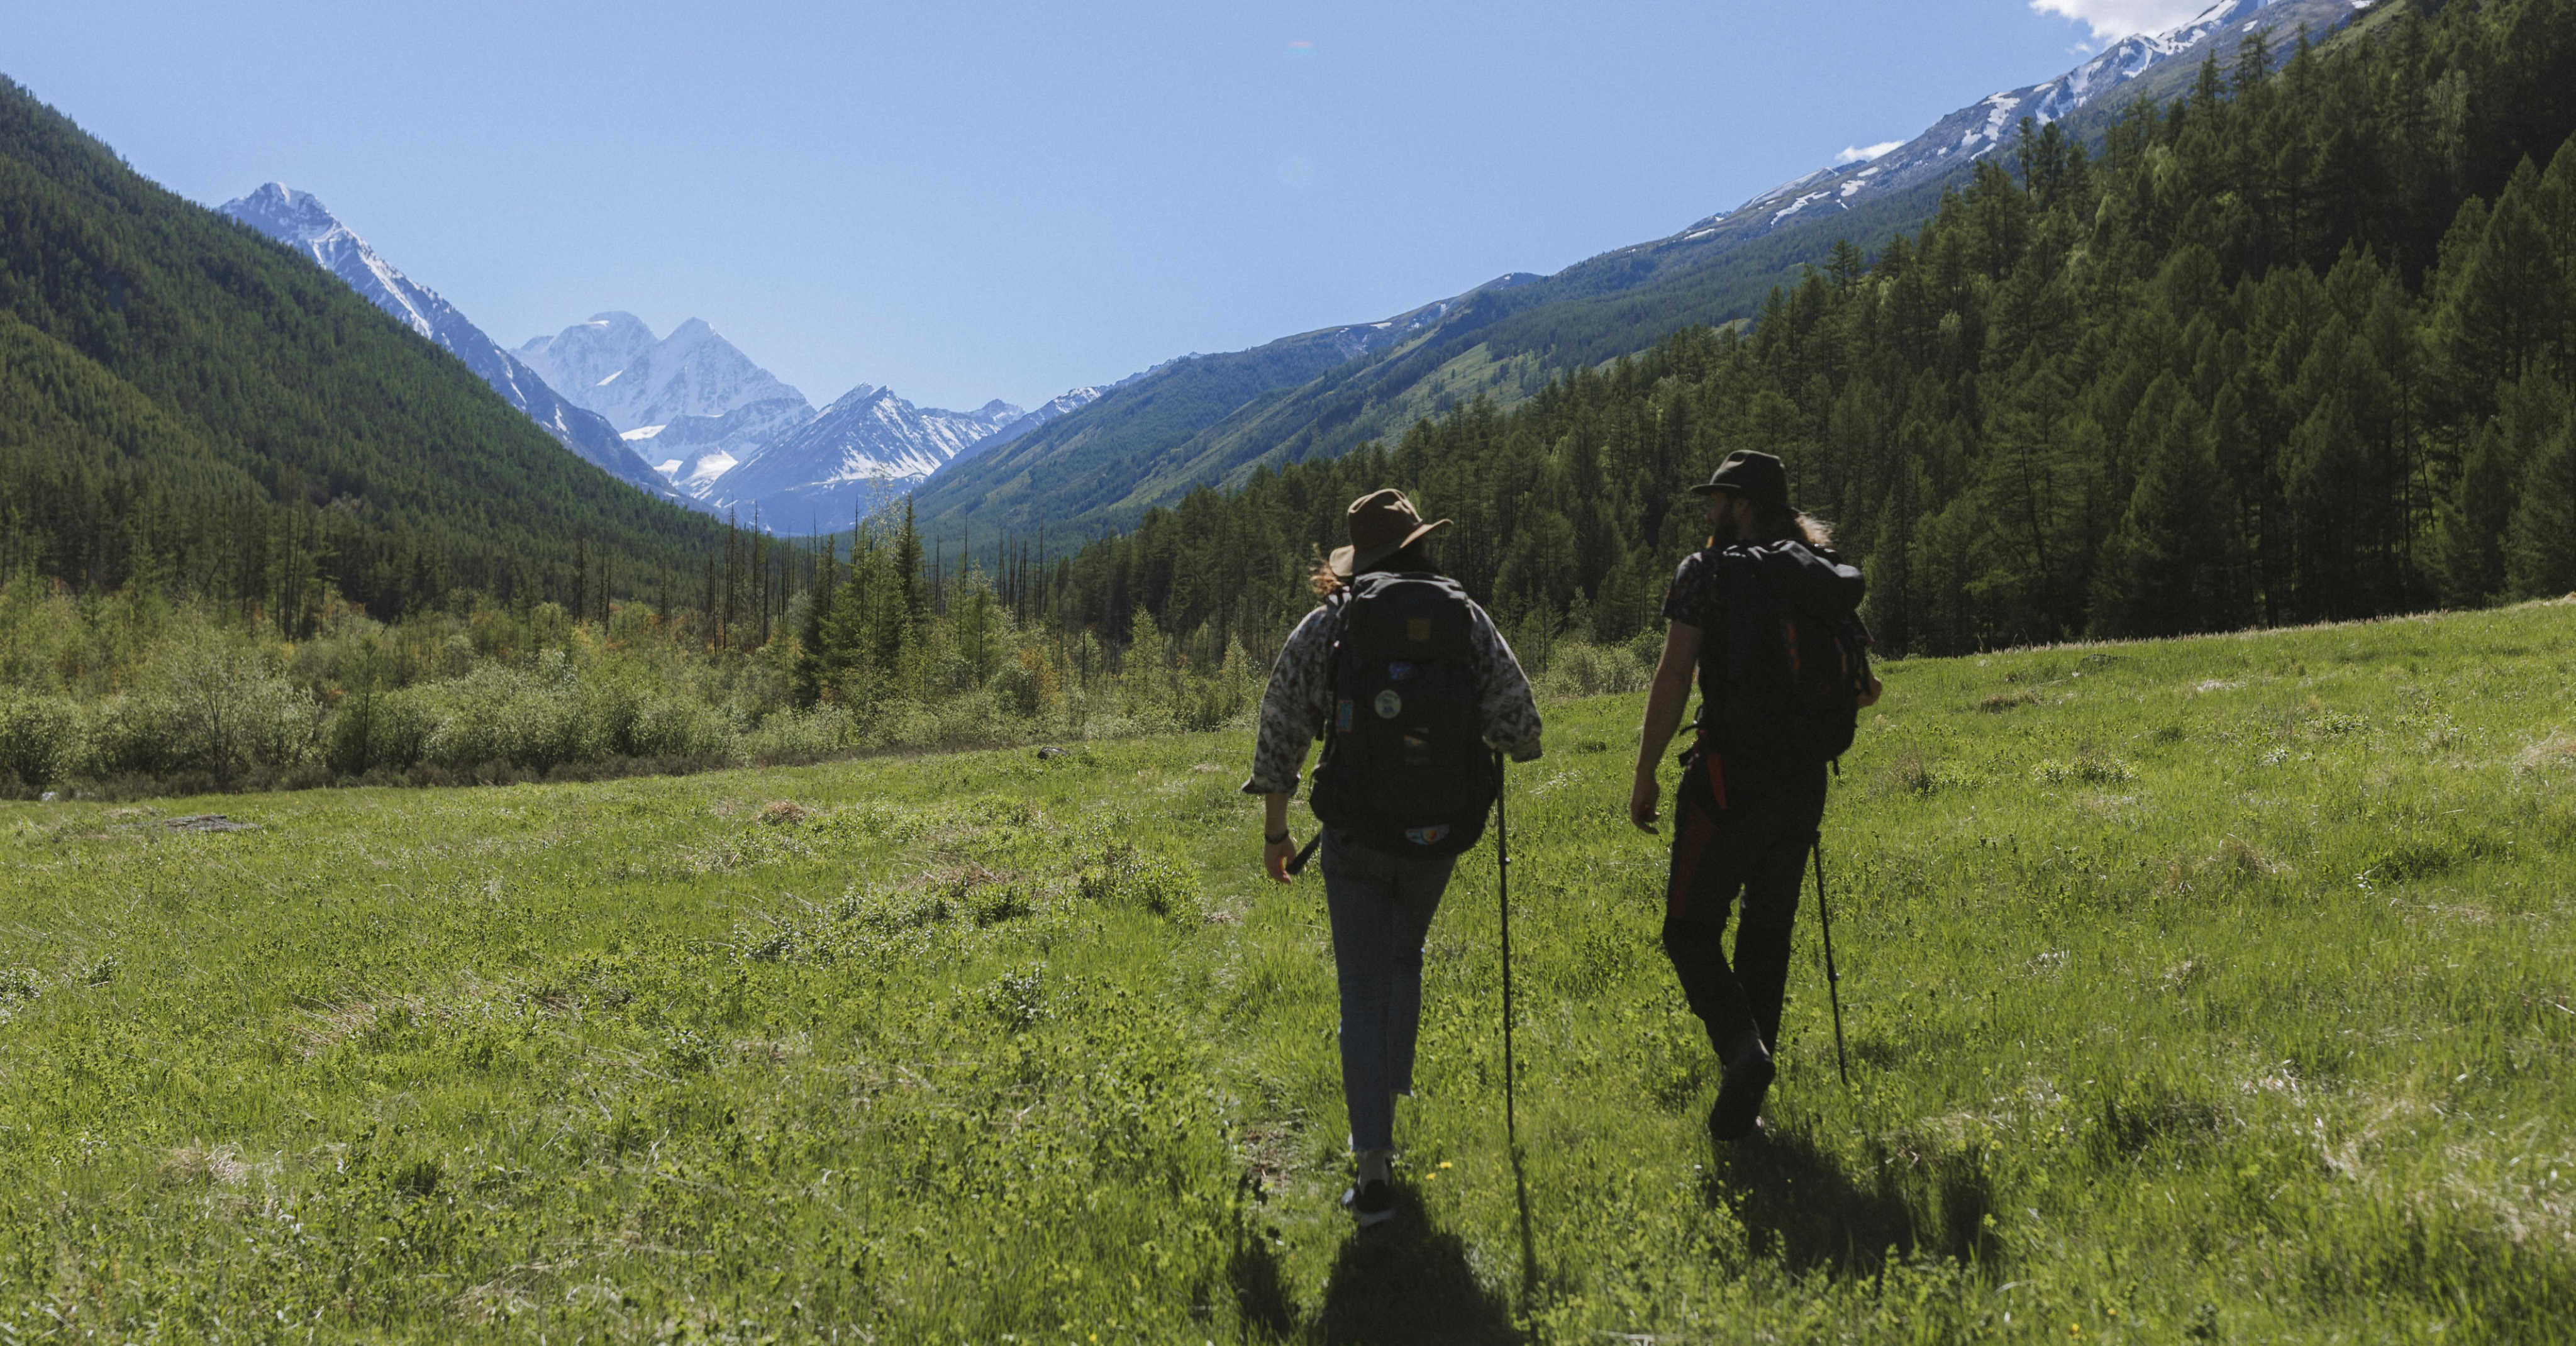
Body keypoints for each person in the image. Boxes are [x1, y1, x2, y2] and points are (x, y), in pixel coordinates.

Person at [1244, 488, 1544, 1226]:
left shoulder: (1333, 625)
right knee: (1404, 954)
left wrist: (1276, 834)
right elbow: (1522, 729)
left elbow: (1282, 727)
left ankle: (1373, 1164)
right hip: (1439, 835)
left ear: (1361, 556)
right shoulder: (1464, 618)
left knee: (1360, 989)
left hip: (1356, 835)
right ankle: (1391, 1088)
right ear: (1418, 544)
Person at [1629, 450, 1877, 1140]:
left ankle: (1742, 1049)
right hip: (1802, 783)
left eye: (1717, 500)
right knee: (1766, 933)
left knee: (1686, 931)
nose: (1708, 512)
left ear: (1741, 505)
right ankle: (1744, 1107)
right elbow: (1866, 687)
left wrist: (1646, 769)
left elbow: (1675, 675)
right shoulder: (1819, 578)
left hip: (1728, 778)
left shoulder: (1706, 573)